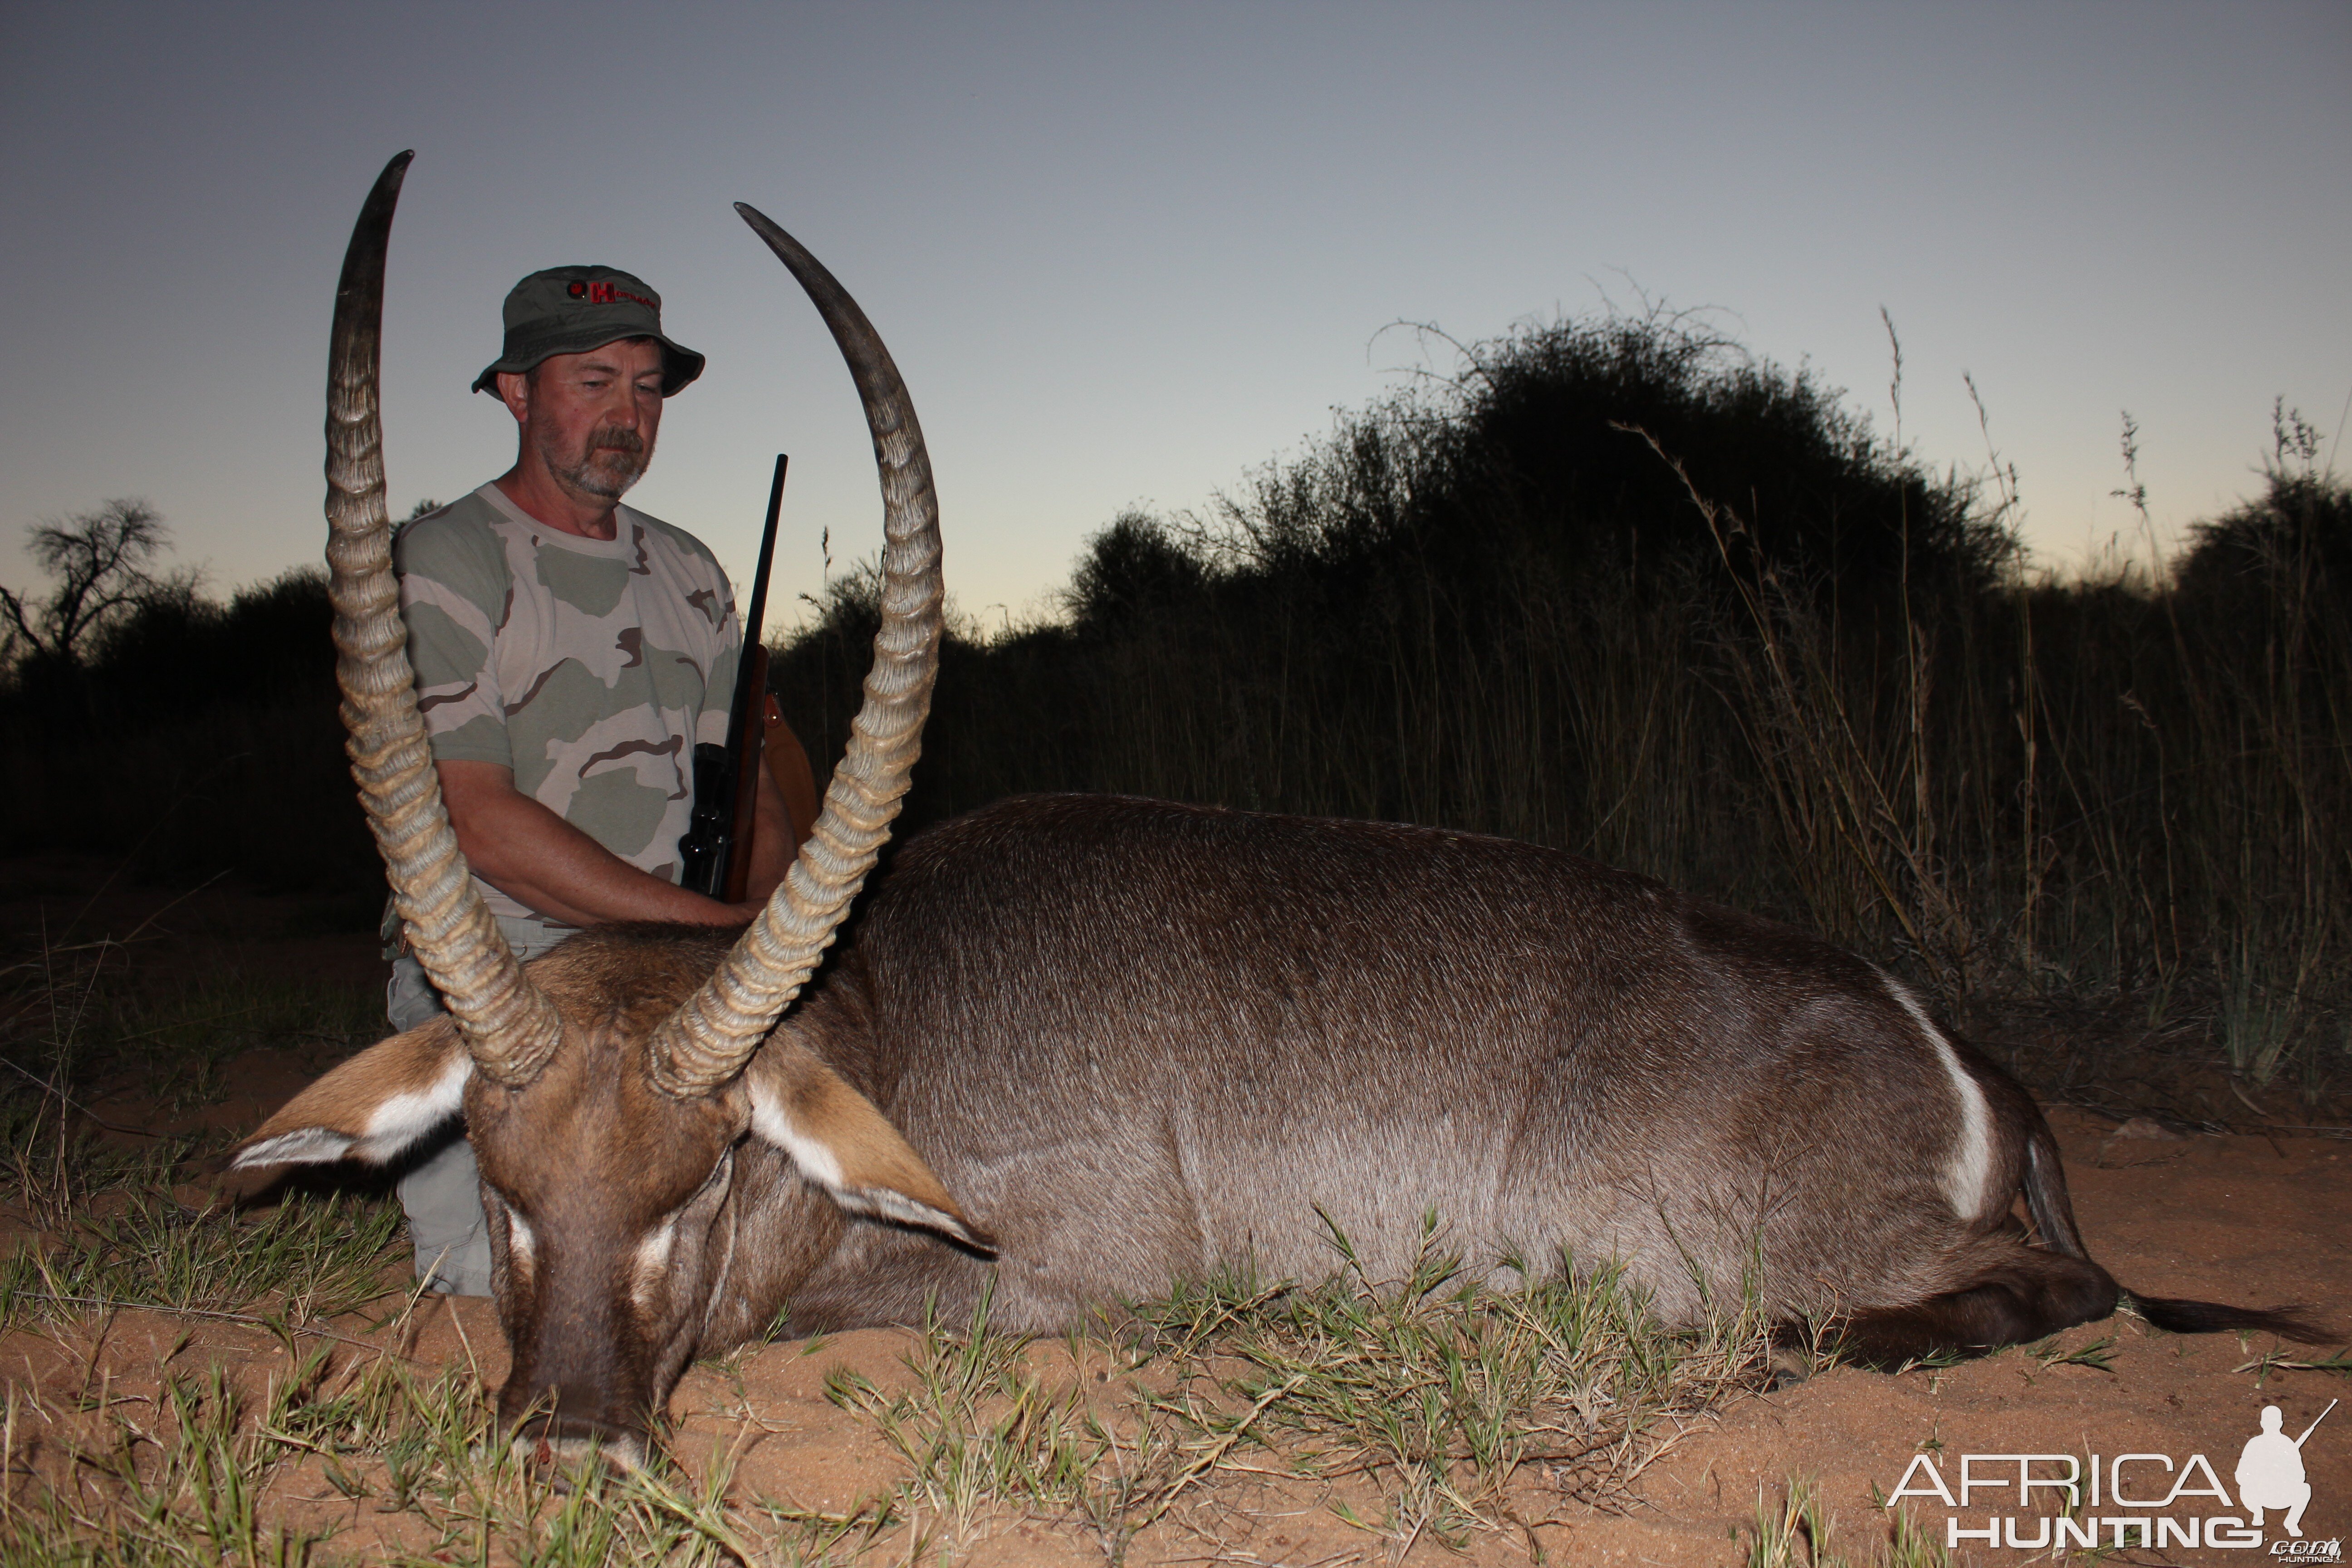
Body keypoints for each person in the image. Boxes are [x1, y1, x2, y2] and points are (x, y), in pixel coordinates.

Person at [385, 264, 799, 1295]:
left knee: (774, 1268)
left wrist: (775, 925)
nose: (628, 416)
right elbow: (473, 821)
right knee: (498, 1289)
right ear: (517, 393)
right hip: (507, 963)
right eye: (594, 381)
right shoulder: (446, 557)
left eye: (649, 388)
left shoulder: (693, 568)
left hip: (682, 961)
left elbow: (747, 789)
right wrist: (711, 934)